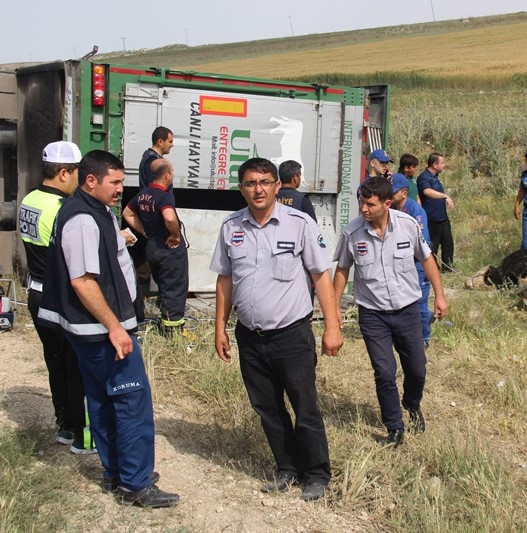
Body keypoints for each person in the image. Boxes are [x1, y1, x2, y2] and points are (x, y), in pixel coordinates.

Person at [37, 150, 179, 508]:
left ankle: (117, 471)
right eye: (114, 182)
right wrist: (115, 328)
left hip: (95, 330)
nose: (121, 189)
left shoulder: (94, 210)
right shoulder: (82, 219)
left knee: (102, 400)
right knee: (131, 402)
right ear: (90, 181)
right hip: (101, 333)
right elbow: (83, 281)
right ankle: (135, 484)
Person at [210, 157, 343, 502]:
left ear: (277, 186)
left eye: (265, 182)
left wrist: (333, 326)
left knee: (305, 406)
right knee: (267, 407)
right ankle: (287, 467)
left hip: (292, 335)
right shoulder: (230, 228)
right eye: (251, 183)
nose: (258, 189)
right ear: (241, 189)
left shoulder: (299, 224)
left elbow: (321, 278)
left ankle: (316, 474)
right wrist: (219, 327)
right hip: (250, 336)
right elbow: (225, 280)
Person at [333, 176, 448, 448]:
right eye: (361, 202)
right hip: (373, 314)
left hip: (407, 310)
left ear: (387, 203)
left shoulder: (408, 225)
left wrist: (440, 295)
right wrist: (334, 308)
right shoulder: (352, 233)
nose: (363, 209)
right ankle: (394, 427)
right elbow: (342, 270)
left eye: (370, 204)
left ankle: (411, 404)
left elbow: (427, 258)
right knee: (384, 372)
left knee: (417, 369)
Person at [18, 141, 95, 454]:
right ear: (64, 172)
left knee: (56, 362)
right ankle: (81, 436)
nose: (79, 178)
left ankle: (64, 426)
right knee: (77, 366)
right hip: (59, 297)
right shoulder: (63, 209)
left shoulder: (29, 200)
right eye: (77, 171)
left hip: (36, 295)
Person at [122, 159, 189, 336]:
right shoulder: (164, 195)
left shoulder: (144, 194)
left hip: (152, 247)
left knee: (164, 287)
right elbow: (169, 217)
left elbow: (127, 213)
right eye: (172, 170)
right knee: (175, 288)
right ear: (167, 174)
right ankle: (173, 332)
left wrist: (144, 231)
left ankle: (166, 321)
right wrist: (175, 235)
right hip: (168, 248)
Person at [390, 173, 433, 347]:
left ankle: (424, 338)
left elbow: (423, 244)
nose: (390, 196)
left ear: (404, 193)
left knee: (419, 303)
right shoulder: (391, 209)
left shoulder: (416, 211)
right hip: (399, 262)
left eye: (393, 192)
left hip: (417, 262)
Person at [418, 153, 456, 272]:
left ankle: (448, 267)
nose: (444, 165)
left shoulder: (435, 177)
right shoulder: (424, 178)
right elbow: (427, 192)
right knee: (432, 246)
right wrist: (445, 196)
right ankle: (432, 268)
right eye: (442, 163)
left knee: (448, 243)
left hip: (442, 218)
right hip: (431, 219)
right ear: (435, 165)